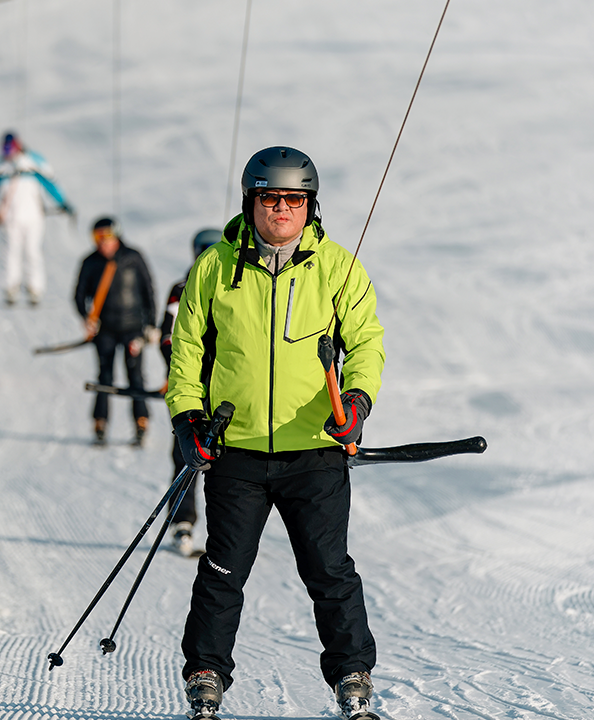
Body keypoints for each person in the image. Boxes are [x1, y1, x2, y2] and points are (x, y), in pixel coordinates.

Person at [165, 146, 386, 720]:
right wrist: (187, 419)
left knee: (329, 570)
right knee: (221, 570)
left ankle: (352, 674)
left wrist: (356, 403)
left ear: (311, 205)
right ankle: (206, 672)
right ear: (251, 202)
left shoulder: (337, 267)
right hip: (235, 450)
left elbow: (366, 344)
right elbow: (187, 350)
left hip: (314, 452)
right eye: (270, 198)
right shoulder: (214, 267)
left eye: (294, 199)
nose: (282, 209)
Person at [160, 228, 221, 557]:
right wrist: (183, 374)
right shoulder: (182, 289)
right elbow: (167, 338)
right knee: (187, 452)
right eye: (204, 250)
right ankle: (182, 522)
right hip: (191, 388)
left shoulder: (234, 284)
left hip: (229, 388)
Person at [75, 217, 157, 446]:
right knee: (104, 377)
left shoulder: (133, 257)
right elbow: (79, 295)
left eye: (106, 236)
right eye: (96, 238)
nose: (102, 243)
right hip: (105, 331)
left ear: (117, 235)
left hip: (133, 330)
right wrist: (86, 319)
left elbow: (148, 290)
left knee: (136, 377)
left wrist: (150, 324)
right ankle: (100, 424)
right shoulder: (90, 262)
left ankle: (141, 423)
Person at [0, 132, 73, 305]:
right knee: (10, 254)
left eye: (11, 147)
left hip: (34, 219)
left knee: (33, 253)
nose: (8, 152)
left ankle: (35, 289)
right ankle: (10, 288)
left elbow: (50, 185)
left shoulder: (32, 164)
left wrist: (63, 202)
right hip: (9, 220)